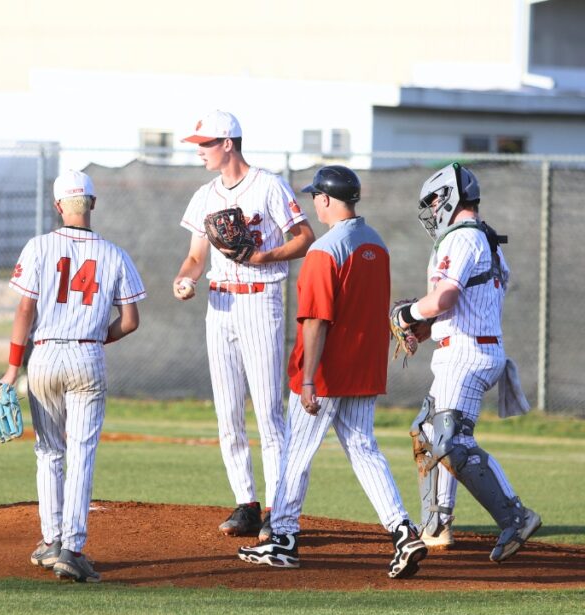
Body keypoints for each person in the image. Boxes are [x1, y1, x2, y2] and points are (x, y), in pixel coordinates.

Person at [237, 166, 428, 579]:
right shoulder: (376, 243)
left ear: (325, 200)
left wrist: (307, 380)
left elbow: (316, 321)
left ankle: (283, 539)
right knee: (364, 450)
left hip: (325, 373)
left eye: (315, 198)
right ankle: (403, 530)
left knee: (294, 456)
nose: (314, 204)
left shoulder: (324, 250)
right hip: (364, 368)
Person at [0, 169, 146, 583]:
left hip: (42, 356)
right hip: (86, 355)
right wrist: (95, 337)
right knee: (81, 453)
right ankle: (72, 549)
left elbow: (25, 311)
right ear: (92, 204)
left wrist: (11, 369)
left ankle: (50, 540)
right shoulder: (114, 254)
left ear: (58, 206)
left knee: (48, 451)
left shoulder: (39, 247)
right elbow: (129, 321)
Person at [173, 110, 315, 540]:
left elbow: (305, 237)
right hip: (219, 305)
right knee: (228, 413)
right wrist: (186, 278)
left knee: (269, 412)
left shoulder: (268, 185)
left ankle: (278, 506)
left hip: (260, 301)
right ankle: (247, 503)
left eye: (206, 143)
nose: (199, 151)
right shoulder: (205, 195)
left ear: (228, 144)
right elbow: (197, 255)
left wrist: (264, 257)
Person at [393, 163, 541, 561]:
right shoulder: (486, 240)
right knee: (428, 433)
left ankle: (516, 516)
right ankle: (437, 523)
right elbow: (465, 304)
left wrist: (408, 315)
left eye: (435, 200)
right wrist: (430, 326)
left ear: (451, 197)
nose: (432, 208)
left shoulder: (461, 238)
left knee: (449, 439)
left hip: (465, 353)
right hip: (476, 346)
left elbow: (444, 299)